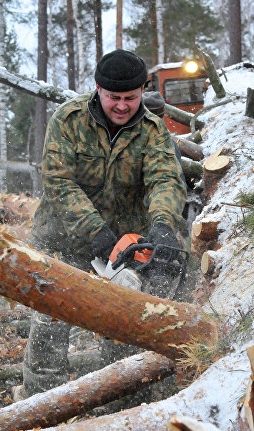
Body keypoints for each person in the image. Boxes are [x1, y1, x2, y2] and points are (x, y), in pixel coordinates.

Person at [19, 49, 187, 399]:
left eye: (130, 97)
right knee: (51, 322)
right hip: (62, 238)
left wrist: (162, 225)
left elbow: (165, 180)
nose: (123, 106)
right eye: (114, 98)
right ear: (98, 89)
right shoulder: (69, 120)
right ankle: (38, 406)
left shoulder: (153, 131)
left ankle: (123, 403)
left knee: (122, 324)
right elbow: (58, 181)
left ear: (142, 91)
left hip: (122, 248)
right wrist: (94, 230)